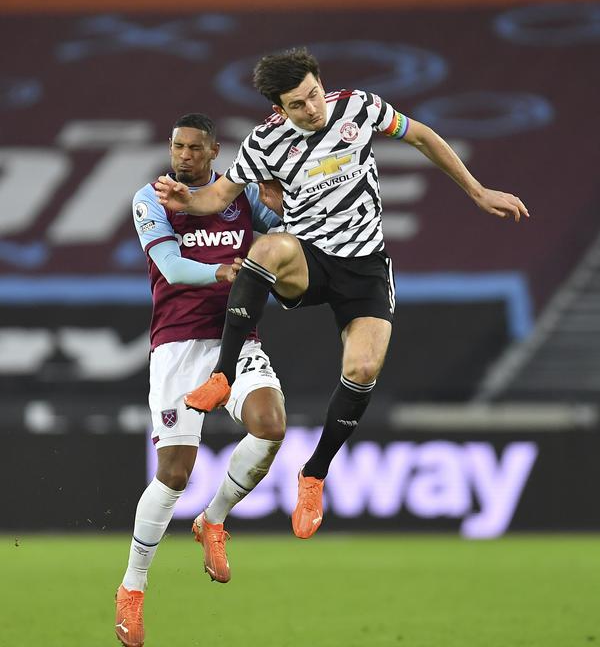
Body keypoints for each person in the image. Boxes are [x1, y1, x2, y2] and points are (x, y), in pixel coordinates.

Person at [154, 47, 529, 542]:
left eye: (314, 95)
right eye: (298, 105)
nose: (313, 109)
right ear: (278, 108)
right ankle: (223, 375)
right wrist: (187, 200)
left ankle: (314, 473)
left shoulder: (358, 107)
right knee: (267, 248)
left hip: (367, 268)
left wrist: (478, 191)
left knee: (363, 369)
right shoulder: (264, 142)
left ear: (320, 83)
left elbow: (420, 134)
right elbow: (217, 198)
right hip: (310, 259)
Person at [115, 113, 285, 647]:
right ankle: (133, 588)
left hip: (236, 340)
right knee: (174, 473)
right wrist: (224, 270)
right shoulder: (152, 198)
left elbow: (284, 231)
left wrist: (280, 204)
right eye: (176, 146)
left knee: (271, 424)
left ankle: (213, 520)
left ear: (215, 152)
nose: (182, 156)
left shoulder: (239, 197)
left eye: (194, 148)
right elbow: (170, 266)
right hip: (177, 346)